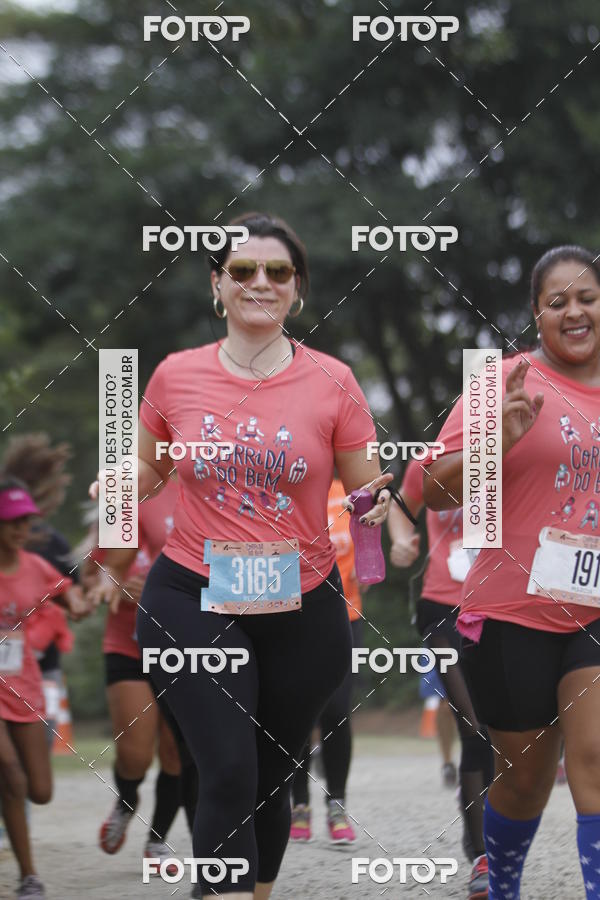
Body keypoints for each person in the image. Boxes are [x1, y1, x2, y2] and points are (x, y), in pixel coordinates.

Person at [91, 211, 392, 899]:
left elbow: (363, 485)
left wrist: (384, 509)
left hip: (303, 601)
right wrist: (119, 483)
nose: (260, 282)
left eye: (277, 271)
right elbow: (147, 471)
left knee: (272, 773)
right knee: (224, 768)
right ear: (217, 285)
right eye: (243, 270)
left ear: (298, 290)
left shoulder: (335, 381)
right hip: (192, 596)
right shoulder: (176, 376)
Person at [424, 245, 600, 900]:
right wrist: (495, 439)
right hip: (510, 612)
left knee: (594, 760)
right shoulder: (505, 380)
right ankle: (501, 885)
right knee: (524, 778)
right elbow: (432, 489)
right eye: (558, 302)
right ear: (537, 314)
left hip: (595, 611)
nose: (575, 312)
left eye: (587, 297)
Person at [389, 457, 493, 899]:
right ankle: (483, 855)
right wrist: (400, 539)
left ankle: (494, 823)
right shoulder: (431, 462)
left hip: (503, 604)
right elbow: (400, 505)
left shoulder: (518, 450)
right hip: (443, 607)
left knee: (507, 731)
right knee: (475, 729)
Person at [83, 478, 189, 872]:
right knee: (135, 754)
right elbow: (94, 577)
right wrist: (116, 585)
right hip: (127, 644)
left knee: (176, 751)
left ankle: (157, 840)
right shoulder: (122, 499)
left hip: (180, 646)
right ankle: (126, 801)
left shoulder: (197, 491)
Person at [0, 477, 89, 900]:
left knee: (40, 790)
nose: (21, 529)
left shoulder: (35, 566)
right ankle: (29, 877)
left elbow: (65, 593)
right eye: (12, 521)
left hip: (23, 687)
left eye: (26, 521)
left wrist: (79, 603)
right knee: (12, 778)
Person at [289, 477, 365, 846]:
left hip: (345, 616)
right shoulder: (285, 488)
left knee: (336, 711)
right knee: (298, 712)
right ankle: (298, 803)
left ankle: (337, 802)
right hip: (292, 617)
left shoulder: (347, 492)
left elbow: (367, 545)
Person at [2, 434, 78, 747]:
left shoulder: (51, 542)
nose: (21, 527)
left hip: (40, 668)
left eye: (26, 517)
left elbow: (77, 595)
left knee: (34, 769)